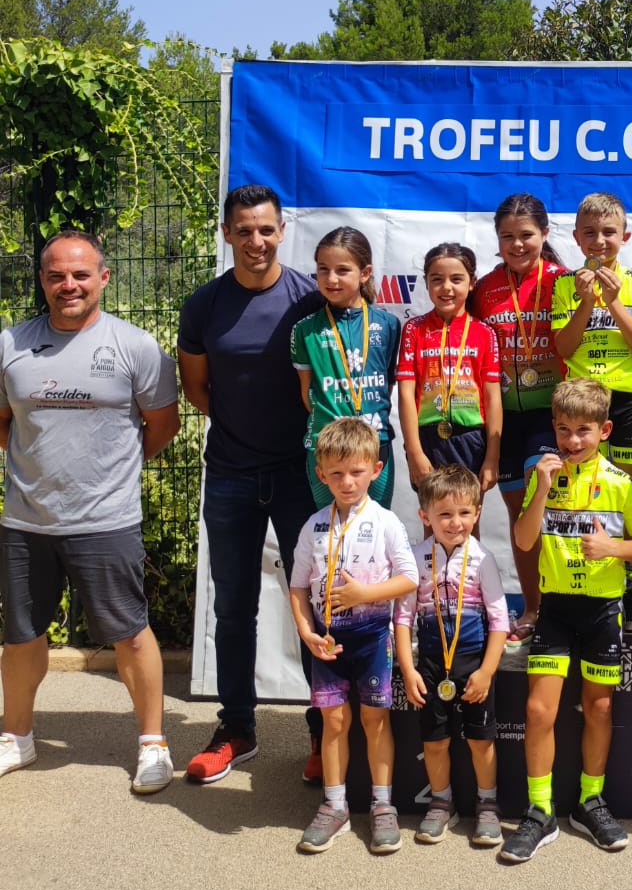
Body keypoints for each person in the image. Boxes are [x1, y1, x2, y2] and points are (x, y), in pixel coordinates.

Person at [0, 230, 180, 792]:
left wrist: (110, 474)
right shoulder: (11, 344)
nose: (68, 285)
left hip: (107, 520)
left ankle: (153, 744)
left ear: (103, 278)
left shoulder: (137, 347)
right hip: (26, 521)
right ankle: (18, 738)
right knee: (22, 635)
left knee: (129, 633)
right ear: (42, 281)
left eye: (80, 274)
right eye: (56, 275)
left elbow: (163, 424)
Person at [177, 183, 323, 784]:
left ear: (282, 231)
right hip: (233, 475)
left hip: (302, 476)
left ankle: (326, 731)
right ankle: (237, 727)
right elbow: (196, 389)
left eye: (266, 229)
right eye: (244, 230)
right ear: (227, 233)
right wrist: (244, 431)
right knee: (233, 610)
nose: (256, 241)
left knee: (318, 607)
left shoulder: (311, 300)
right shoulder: (204, 305)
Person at [499, 378, 632, 863]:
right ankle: (540, 810)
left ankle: (590, 800)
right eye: (563, 429)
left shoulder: (623, 484)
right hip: (557, 607)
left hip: (604, 608)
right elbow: (523, 541)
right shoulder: (546, 473)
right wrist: (540, 488)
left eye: (583, 430)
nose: (572, 441)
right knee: (539, 711)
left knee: (599, 709)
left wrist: (612, 548)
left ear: (605, 429)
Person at [288, 418, 417, 854]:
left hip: (372, 636)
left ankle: (383, 806)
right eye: (337, 473)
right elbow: (298, 587)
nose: (347, 481)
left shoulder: (386, 523)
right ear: (321, 473)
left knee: (375, 720)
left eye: (357, 472)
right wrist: (307, 632)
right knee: (334, 722)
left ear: (376, 470)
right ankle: (334, 806)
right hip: (327, 641)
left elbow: (409, 578)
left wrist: (365, 593)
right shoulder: (312, 527)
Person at [551, 193, 632, 632]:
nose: (599, 241)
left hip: (627, 401)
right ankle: (585, 581)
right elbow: (563, 347)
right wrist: (588, 302)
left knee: (627, 493)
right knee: (579, 490)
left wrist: (612, 301)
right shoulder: (563, 285)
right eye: (589, 233)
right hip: (580, 399)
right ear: (576, 238)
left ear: (625, 237)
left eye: (608, 232)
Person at [394, 465, 509, 847]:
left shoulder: (482, 558)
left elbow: (498, 621)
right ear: (424, 516)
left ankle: (488, 805)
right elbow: (404, 617)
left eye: (463, 513)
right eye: (444, 514)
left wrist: (487, 673)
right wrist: (408, 670)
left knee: (481, 740)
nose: (454, 522)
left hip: (473, 662)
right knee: (435, 741)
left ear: (477, 513)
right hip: (430, 663)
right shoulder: (413, 558)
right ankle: (441, 803)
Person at [471, 194, 565, 640]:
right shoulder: (485, 289)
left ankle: (560, 606)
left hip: (552, 412)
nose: (517, 244)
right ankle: (532, 608)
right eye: (506, 236)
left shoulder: (563, 281)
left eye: (526, 235)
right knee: (518, 515)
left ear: (544, 234)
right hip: (502, 416)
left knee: (537, 497)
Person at [290, 227, 400, 509]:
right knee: (330, 534)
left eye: (342, 270)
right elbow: (307, 395)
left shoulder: (387, 325)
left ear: (364, 273)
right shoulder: (304, 330)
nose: (331, 278)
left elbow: (385, 384)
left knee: (376, 534)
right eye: (323, 269)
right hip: (326, 450)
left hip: (376, 445)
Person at [397, 243, 502, 490]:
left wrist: (492, 457)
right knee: (431, 520)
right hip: (427, 439)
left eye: (456, 279)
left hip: (471, 437)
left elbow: (493, 396)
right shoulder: (414, 329)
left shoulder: (484, 332)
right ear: (426, 282)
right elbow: (405, 393)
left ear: (472, 282)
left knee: (468, 519)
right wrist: (414, 452)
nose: (447, 287)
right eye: (437, 279)